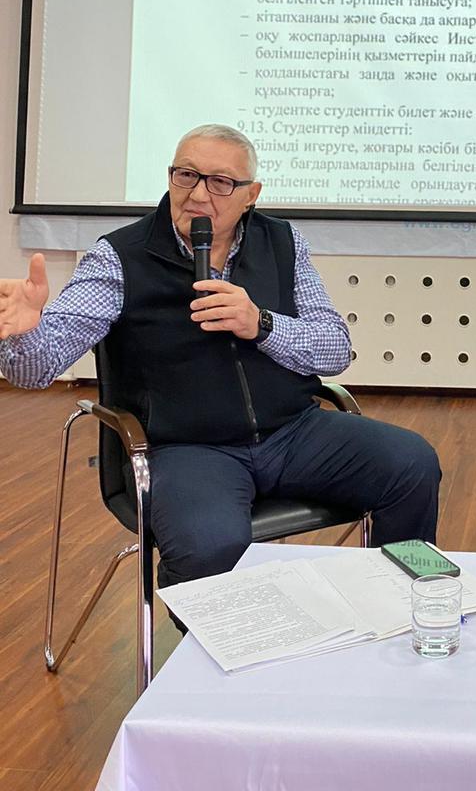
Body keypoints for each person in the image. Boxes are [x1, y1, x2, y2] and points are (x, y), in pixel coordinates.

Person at [0, 124, 441, 594]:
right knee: (209, 545)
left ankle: (402, 603)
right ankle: (209, 638)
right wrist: (23, 335)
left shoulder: (283, 242)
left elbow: (334, 348)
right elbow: (38, 369)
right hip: (187, 450)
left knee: (411, 463)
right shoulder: (119, 257)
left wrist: (261, 324)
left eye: (221, 182)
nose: (198, 194)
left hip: (294, 432)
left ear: (251, 195)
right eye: (186, 175)